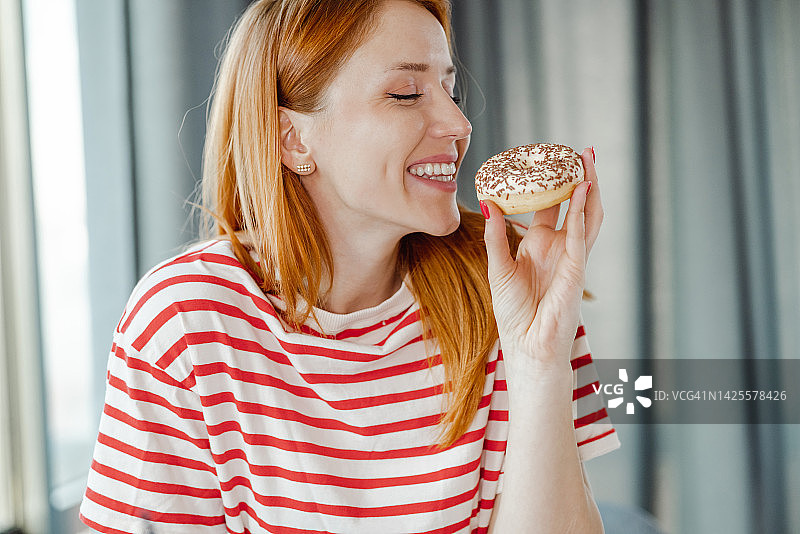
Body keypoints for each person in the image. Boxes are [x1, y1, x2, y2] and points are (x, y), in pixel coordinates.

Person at [80, 0, 619, 532]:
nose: (459, 123)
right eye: (406, 94)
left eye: (450, 90)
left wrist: (539, 359)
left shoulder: (509, 284)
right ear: (292, 138)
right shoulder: (186, 323)